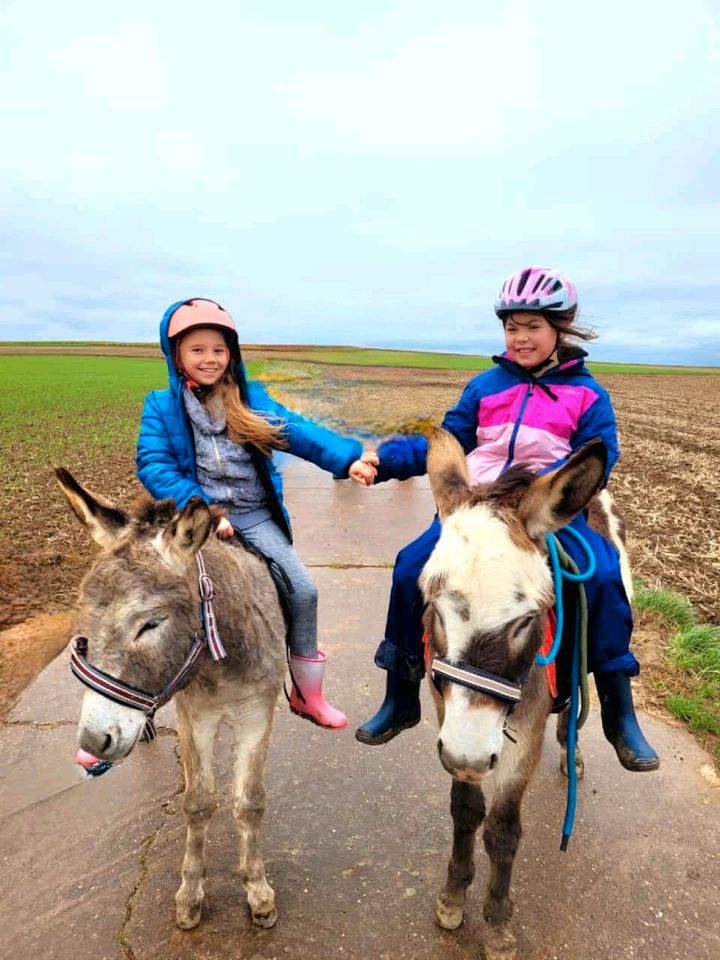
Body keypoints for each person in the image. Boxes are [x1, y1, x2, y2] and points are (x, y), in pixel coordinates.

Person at [355, 266, 659, 772]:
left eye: (532, 327)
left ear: (560, 330)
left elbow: (601, 455)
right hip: (475, 507)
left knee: (605, 577)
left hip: (542, 511)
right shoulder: (485, 386)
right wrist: (383, 463)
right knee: (411, 567)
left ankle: (619, 709)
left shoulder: (588, 394)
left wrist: (558, 496)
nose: (520, 338)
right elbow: (447, 439)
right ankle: (402, 689)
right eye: (511, 327)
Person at [136, 297, 378, 729]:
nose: (209, 359)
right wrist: (204, 511)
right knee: (149, 601)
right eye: (197, 350)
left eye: (218, 349)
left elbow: (298, 433)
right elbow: (154, 464)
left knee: (303, 592)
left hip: (253, 515)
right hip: (195, 521)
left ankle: (307, 693)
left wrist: (348, 459)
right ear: (175, 355)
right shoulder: (161, 406)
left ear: (231, 352)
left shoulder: (251, 398)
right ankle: (136, 699)